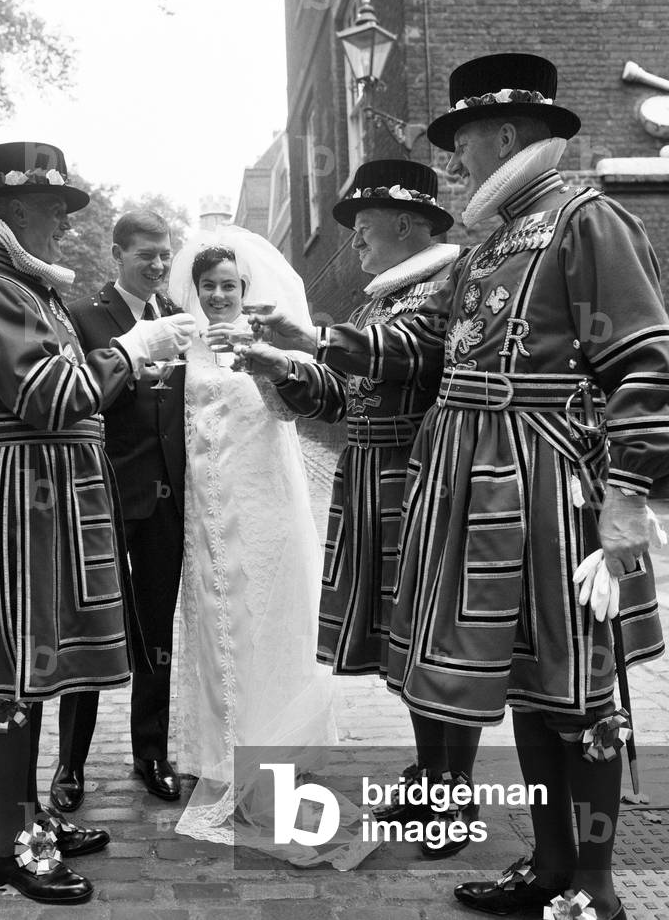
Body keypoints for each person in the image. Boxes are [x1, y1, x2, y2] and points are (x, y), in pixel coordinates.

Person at [257, 54, 669, 919]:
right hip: (477, 482)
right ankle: (548, 863)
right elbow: (424, 347)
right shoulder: (492, 235)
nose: (451, 162)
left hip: (547, 478)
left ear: (503, 134)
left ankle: (593, 889)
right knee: (531, 687)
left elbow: (644, 361)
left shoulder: (584, 219)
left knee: (579, 687)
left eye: (460, 142)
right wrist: (319, 343)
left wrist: (630, 491)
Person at [0, 141, 195, 905]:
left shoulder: (27, 288)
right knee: (15, 666)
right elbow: (49, 395)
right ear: (7, 213)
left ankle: (30, 813)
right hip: (18, 498)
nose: (62, 225)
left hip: (48, 498)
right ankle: (11, 839)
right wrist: (132, 350)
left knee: (37, 665)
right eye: (50, 210)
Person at [244, 159, 483, 858]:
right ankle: (429, 771)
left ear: (406, 224)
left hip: (424, 475)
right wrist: (282, 367)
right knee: (401, 641)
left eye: (363, 231)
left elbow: (413, 353)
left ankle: (452, 788)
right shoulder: (375, 301)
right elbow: (341, 396)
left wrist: (312, 339)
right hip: (372, 474)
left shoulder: (449, 284)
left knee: (437, 638)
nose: (353, 246)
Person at [164, 225, 347, 855]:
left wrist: (269, 364)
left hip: (263, 501)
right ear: (196, 290)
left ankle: (272, 745)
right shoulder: (180, 346)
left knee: (266, 619)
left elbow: (293, 409)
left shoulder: (266, 342)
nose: (218, 295)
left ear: (246, 289)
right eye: (209, 286)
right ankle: (222, 754)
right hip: (205, 510)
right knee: (219, 623)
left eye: (228, 286)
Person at [52, 211, 186, 810]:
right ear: (116, 254)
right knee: (91, 630)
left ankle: (150, 753)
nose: (157, 265)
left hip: (165, 500)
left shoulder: (178, 319)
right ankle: (69, 766)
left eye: (164, 254)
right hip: (103, 497)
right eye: (144, 255)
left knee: (156, 630)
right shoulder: (83, 318)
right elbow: (80, 398)